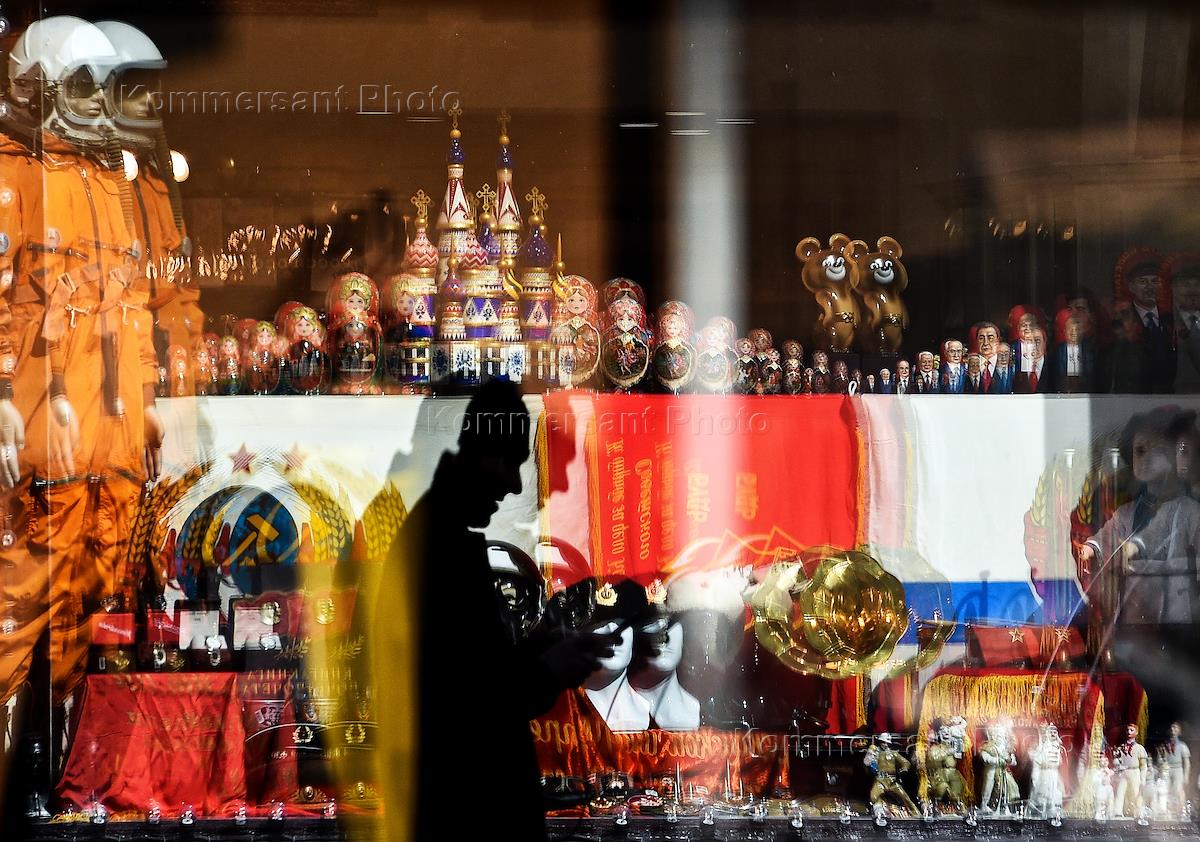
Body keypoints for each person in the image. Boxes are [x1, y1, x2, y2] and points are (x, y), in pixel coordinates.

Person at [372, 379, 616, 842]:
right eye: (512, 463)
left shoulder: (439, 534)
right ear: (483, 454)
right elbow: (468, 709)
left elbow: (474, 675)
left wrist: (542, 648)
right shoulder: (438, 548)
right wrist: (548, 668)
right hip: (467, 813)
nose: (517, 484)